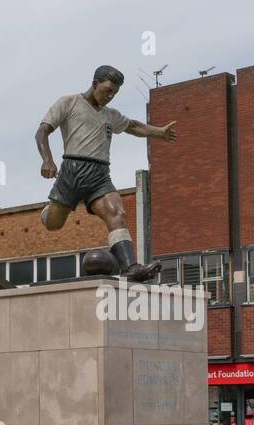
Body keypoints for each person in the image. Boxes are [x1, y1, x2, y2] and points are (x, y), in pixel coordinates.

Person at [36, 65, 176, 282]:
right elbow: (42, 131)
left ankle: (129, 267)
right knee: (54, 223)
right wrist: (47, 159)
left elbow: (132, 126)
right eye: (107, 90)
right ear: (94, 84)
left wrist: (159, 132)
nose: (110, 96)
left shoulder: (110, 115)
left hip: (100, 175)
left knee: (117, 213)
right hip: (72, 170)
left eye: (114, 93)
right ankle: (50, 209)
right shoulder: (69, 102)